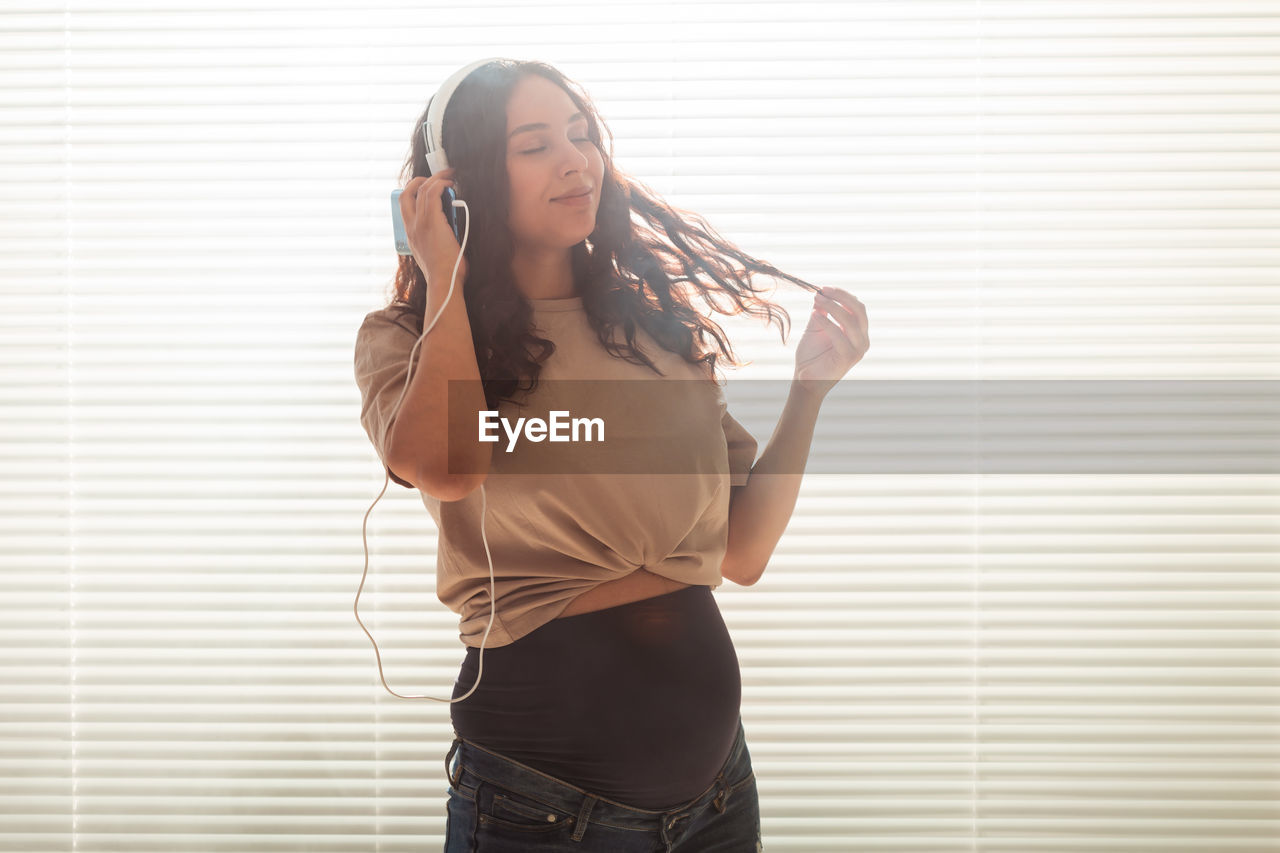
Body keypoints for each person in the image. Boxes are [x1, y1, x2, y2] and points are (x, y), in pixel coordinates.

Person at [353, 58, 868, 853]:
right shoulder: (409, 339)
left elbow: (742, 550)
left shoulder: (653, 328)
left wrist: (811, 390)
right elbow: (449, 466)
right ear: (463, 181)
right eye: (534, 145)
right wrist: (444, 270)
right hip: (543, 811)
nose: (575, 159)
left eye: (581, 133)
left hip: (718, 797)